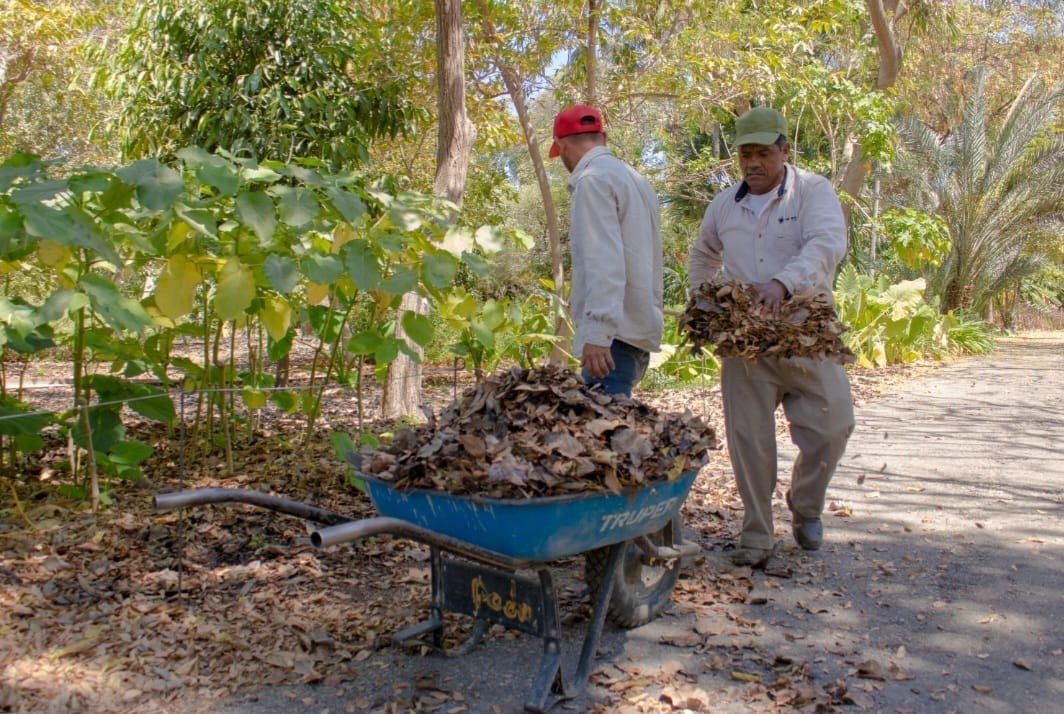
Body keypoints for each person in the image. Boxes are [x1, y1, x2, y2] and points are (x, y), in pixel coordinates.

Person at [688, 106, 855, 567]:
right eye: (746, 154)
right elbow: (703, 256)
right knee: (750, 438)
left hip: (808, 328)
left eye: (763, 152)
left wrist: (783, 283)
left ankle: (806, 507)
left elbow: (826, 244)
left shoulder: (813, 192)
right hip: (747, 339)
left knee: (833, 424)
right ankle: (757, 533)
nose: (753, 163)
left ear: (785, 150)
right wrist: (707, 305)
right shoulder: (724, 205)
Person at [549, 103, 664, 397]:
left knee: (608, 437)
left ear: (561, 147)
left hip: (612, 340)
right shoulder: (633, 178)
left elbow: (604, 261)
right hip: (635, 334)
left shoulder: (592, 181)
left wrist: (598, 334)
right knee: (620, 430)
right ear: (605, 137)